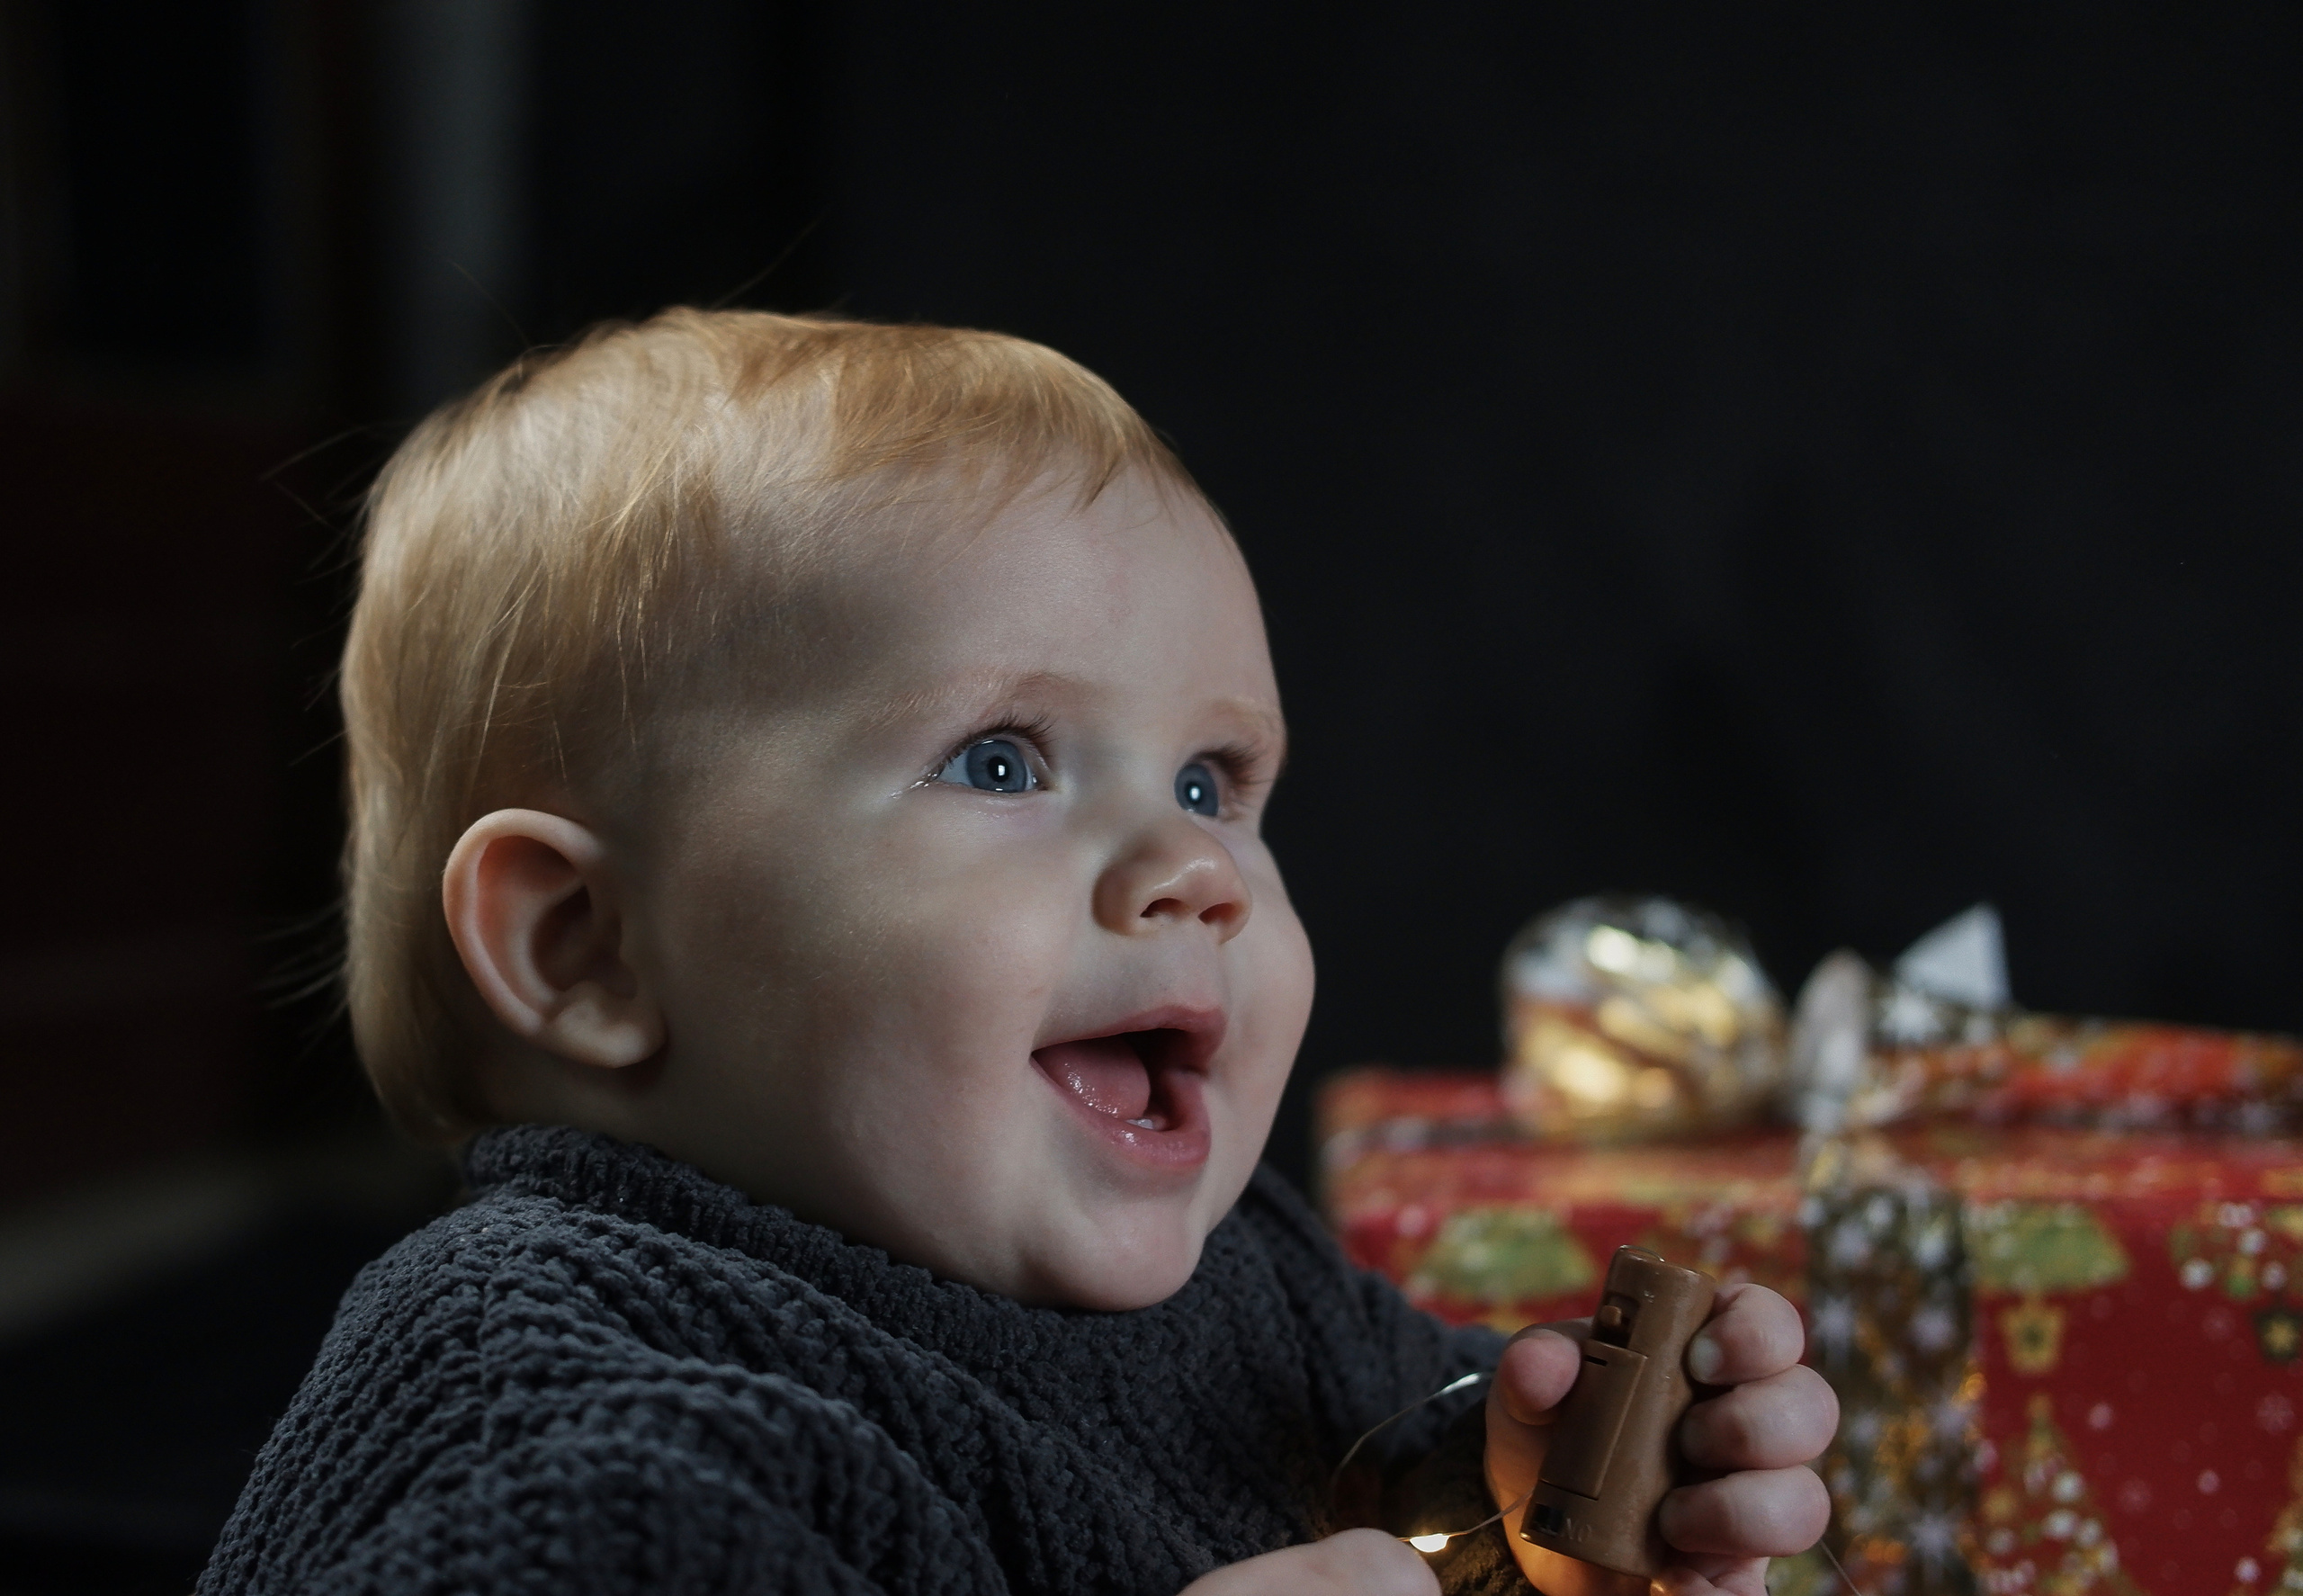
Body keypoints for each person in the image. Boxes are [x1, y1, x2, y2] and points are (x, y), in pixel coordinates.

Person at [202, 309, 1835, 1596]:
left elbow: (1383, 1483)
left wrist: (1537, 1509)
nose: (1197, 865)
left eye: (1215, 781)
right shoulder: (559, 1404)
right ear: (589, 950)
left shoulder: (1247, 1280)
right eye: (1003, 760)